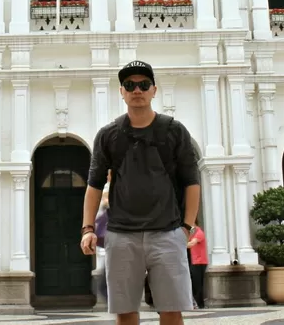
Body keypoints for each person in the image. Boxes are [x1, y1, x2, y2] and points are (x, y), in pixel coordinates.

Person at [81, 60, 200, 325]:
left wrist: (186, 227)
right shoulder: (109, 135)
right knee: (125, 311)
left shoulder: (174, 131)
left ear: (154, 90)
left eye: (143, 84)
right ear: (121, 91)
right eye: (130, 85)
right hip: (122, 235)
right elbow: (94, 184)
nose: (137, 90)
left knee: (171, 310)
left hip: (168, 232)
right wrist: (88, 228)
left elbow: (191, 181)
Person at [187, 223, 208, 308]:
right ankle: (195, 303)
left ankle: (200, 304)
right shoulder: (191, 234)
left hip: (199, 262)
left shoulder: (199, 232)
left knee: (197, 284)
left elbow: (191, 244)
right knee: (193, 283)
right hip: (193, 261)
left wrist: (178, 244)